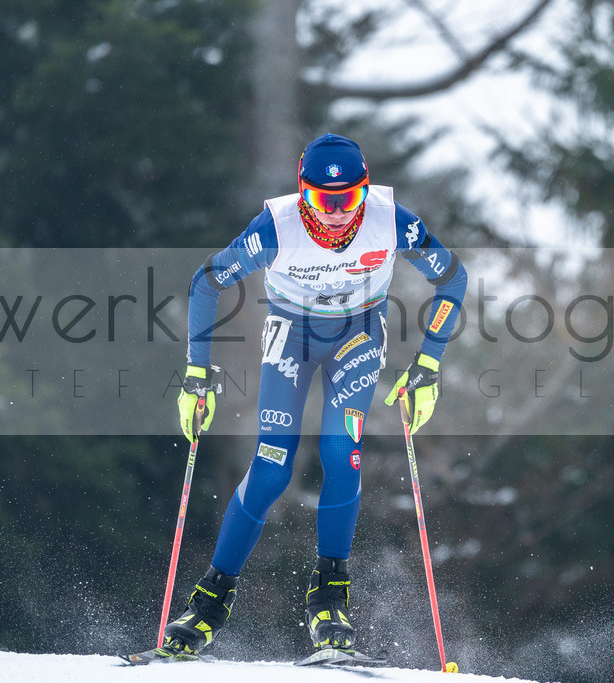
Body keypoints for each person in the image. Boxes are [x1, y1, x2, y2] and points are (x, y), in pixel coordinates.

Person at [164, 133, 467, 657]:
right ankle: (211, 599)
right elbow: (206, 281)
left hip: (357, 335)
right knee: (273, 463)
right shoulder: (274, 229)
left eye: (346, 200)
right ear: (301, 192)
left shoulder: (391, 221)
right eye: (321, 200)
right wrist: (196, 374)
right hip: (291, 335)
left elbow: (453, 280)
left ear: (365, 192)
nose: (332, 214)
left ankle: (329, 597)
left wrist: (428, 365)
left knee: (339, 453)